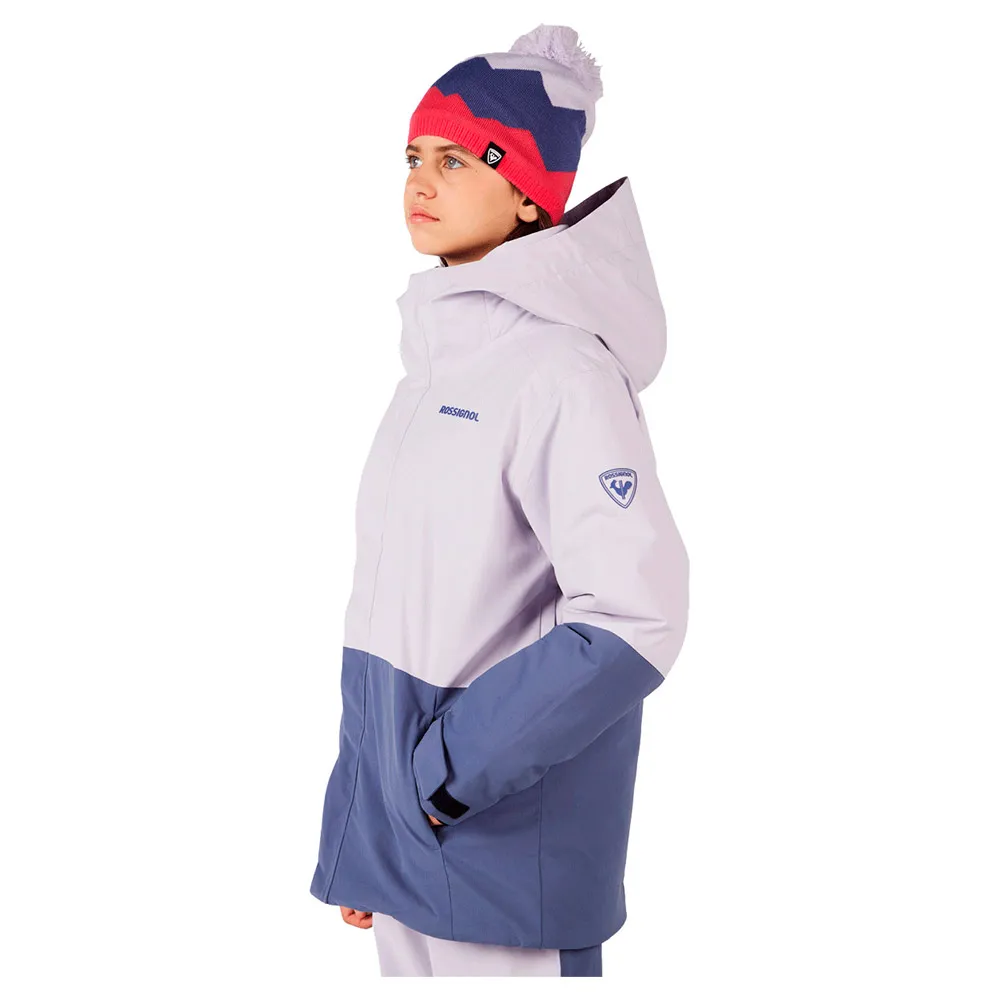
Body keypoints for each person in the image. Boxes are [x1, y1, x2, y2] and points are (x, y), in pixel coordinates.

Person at [308, 23, 690, 977]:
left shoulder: (561, 371)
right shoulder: (434, 372)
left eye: (454, 159)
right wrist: (368, 825)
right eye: (413, 157)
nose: (420, 181)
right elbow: (399, 613)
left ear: (526, 192)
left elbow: (636, 616)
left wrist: (436, 781)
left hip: (503, 858)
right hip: (417, 846)